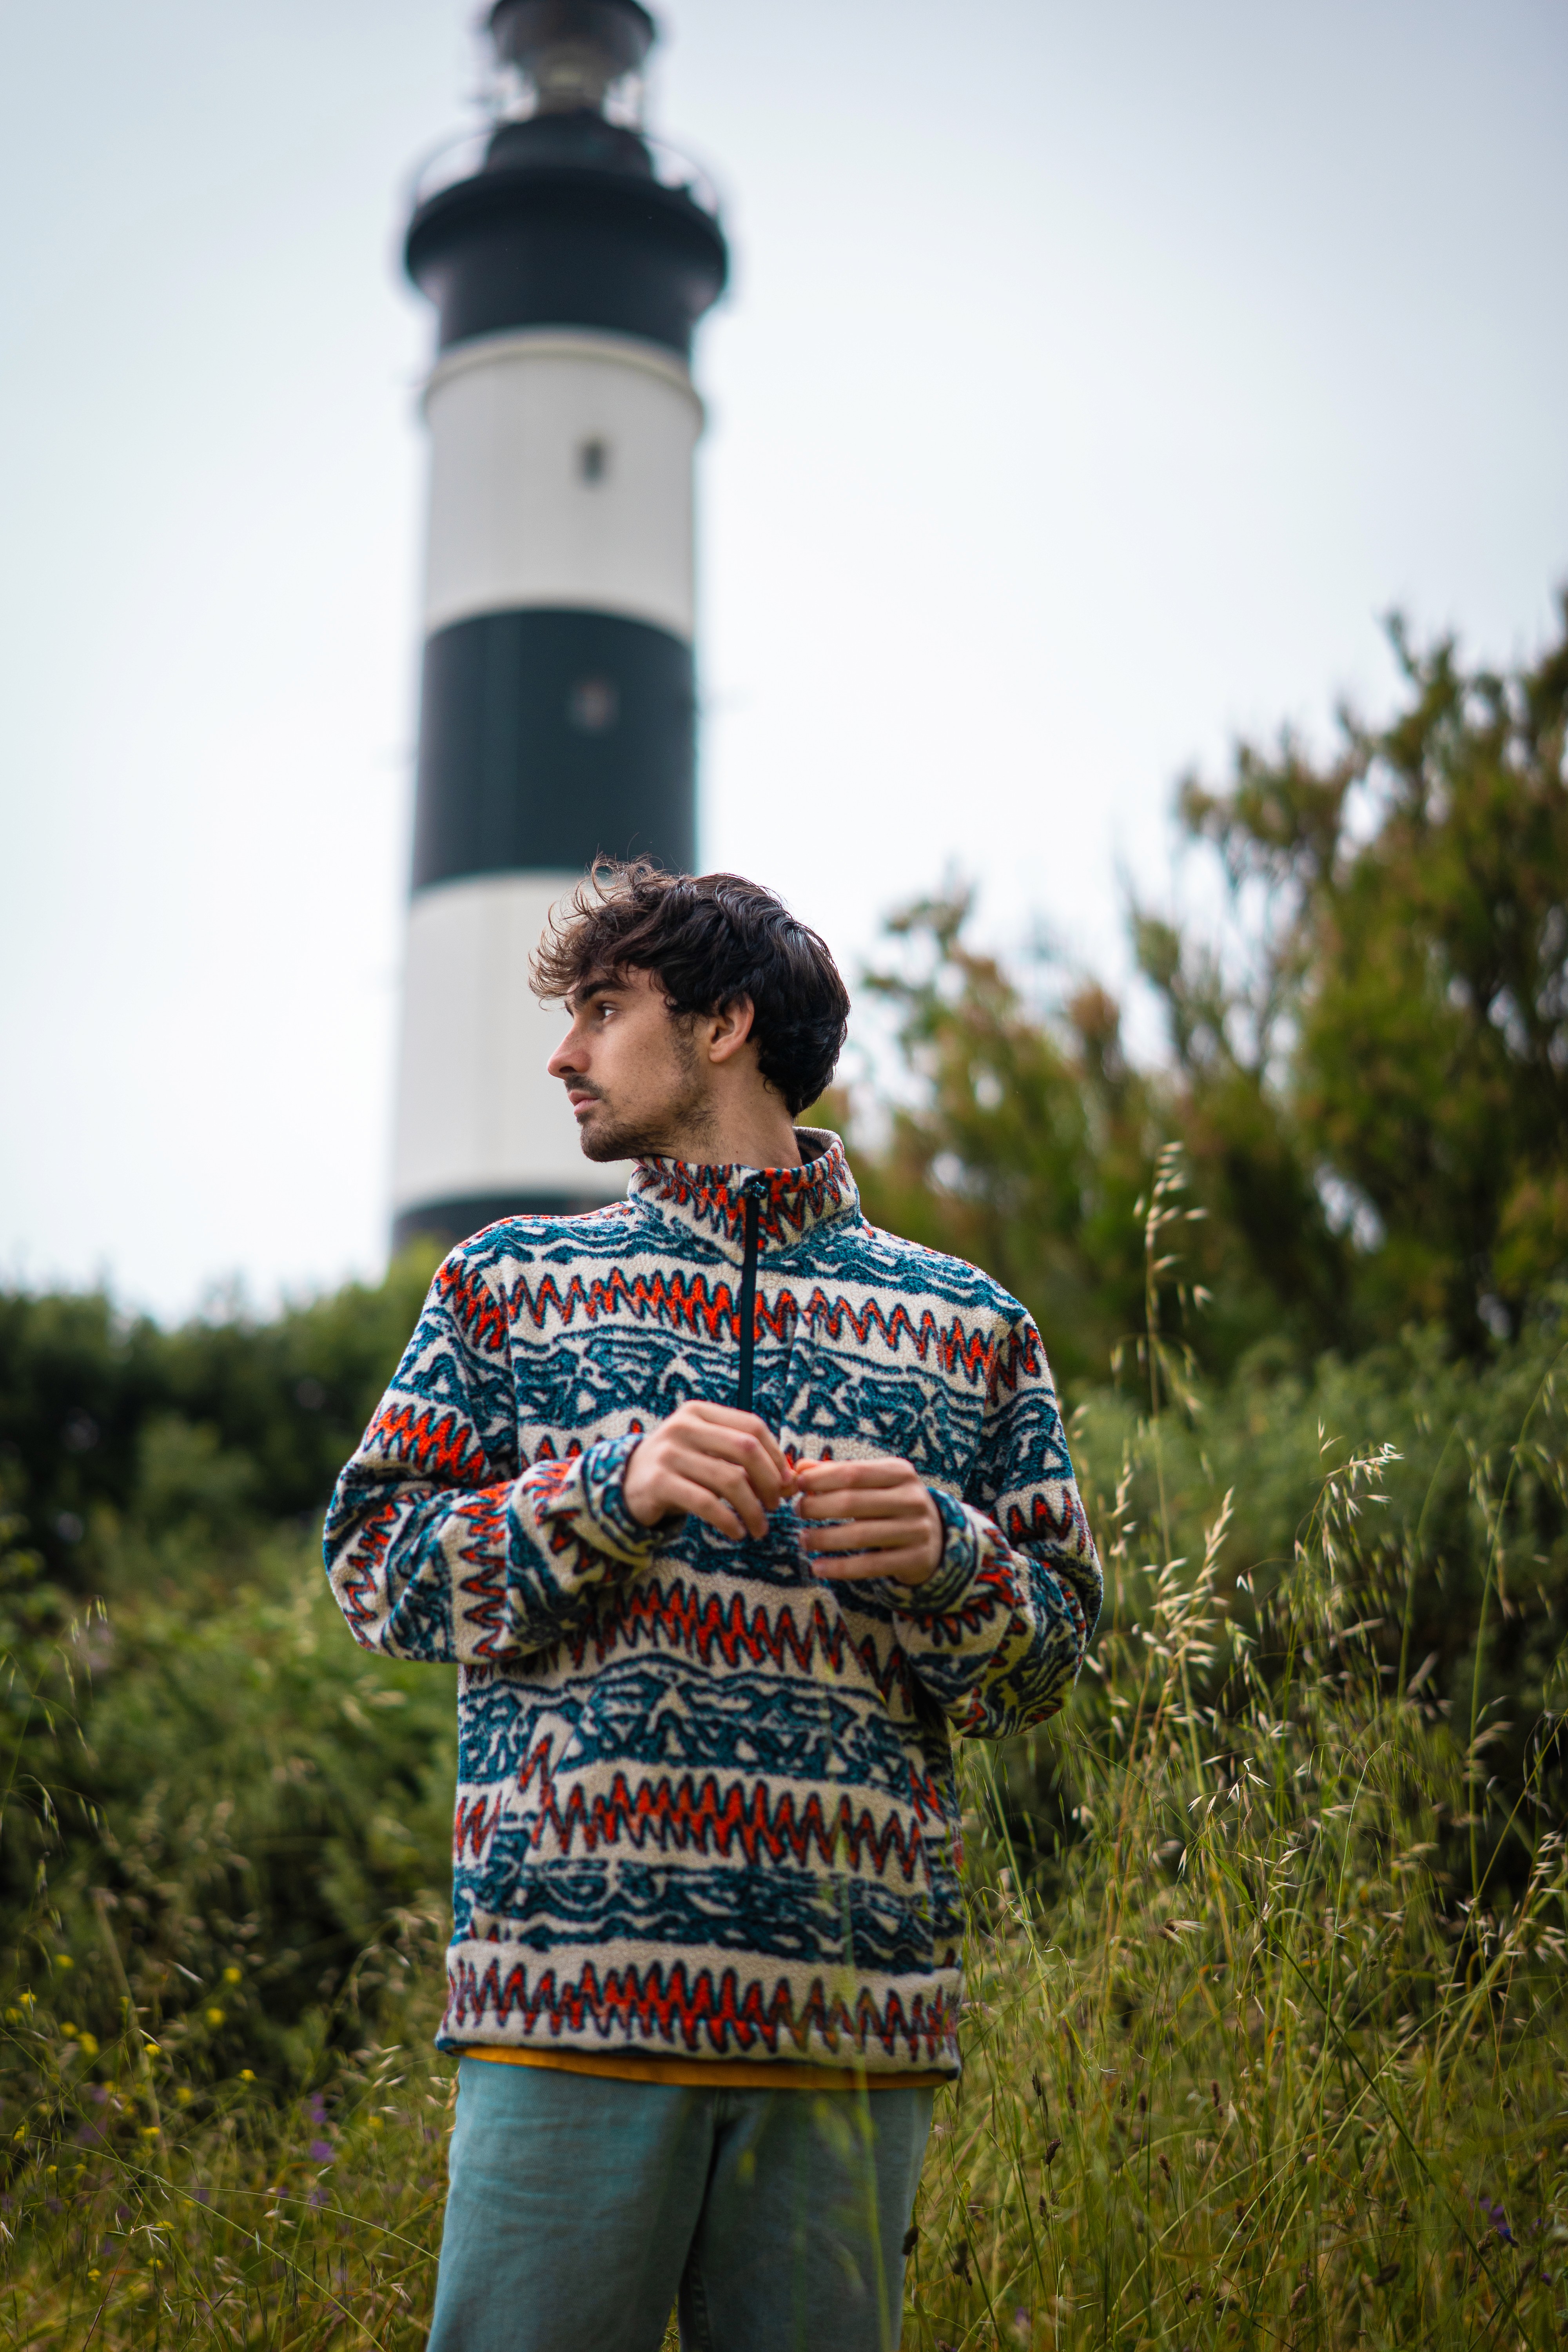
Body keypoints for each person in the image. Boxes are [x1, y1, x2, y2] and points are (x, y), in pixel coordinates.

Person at [324, 862, 1101, 2352]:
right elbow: (377, 1570)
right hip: (569, 2009)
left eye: (602, 1012)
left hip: (850, 2024)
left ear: (727, 1023)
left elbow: (1045, 1659)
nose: (562, 1055)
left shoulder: (971, 1325)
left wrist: (951, 1552)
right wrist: (608, 1487)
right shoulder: (505, 1286)